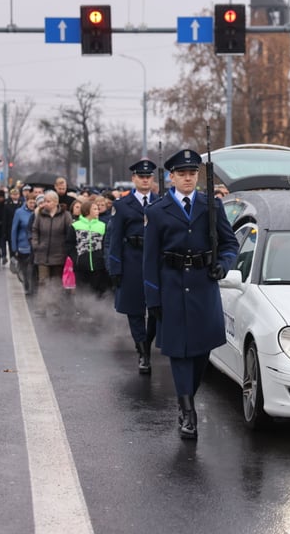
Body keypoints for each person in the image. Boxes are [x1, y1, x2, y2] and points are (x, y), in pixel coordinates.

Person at [143, 149, 239, 440]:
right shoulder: (157, 211)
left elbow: (229, 243)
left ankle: (187, 395)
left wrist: (222, 265)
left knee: (201, 353)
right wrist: (153, 299)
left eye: (192, 173)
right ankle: (187, 410)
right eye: (182, 174)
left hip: (203, 286)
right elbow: (149, 260)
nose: (188, 178)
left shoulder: (212, 206)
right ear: (172, 177)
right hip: (171, 287)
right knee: (179, 353)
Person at [108, 158, 159, 374]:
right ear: (134, 179)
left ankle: (147, 343)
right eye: (141, 176)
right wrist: (115, 268)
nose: (145, 180)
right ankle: (143, 353)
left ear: (152, 179)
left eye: (148, 177)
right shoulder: (121, 205)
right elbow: (114, 239)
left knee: (156, 309)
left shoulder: (161, 202)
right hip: (131, 262)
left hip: (155, 263)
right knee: (135, 311)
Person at [31, 191, 73, 315]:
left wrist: (66, 249)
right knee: (43, 281)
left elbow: (70, 234)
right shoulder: (40, 215)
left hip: (58, 254)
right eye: (44, 201)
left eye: (48, 201)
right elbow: (34, 230)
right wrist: (35, 244)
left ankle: (56, 306)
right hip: (42, 253)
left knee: (56, 281)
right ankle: (42, 307)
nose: (45, 204)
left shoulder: (65, 215)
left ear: (55, 202)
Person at [66, 199, 110, 298]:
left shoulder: (103, 226)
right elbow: (69, 244)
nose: (97, 211)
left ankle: (97, 312)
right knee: (82, 292)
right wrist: (75, 258)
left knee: (99, 292)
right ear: (87, 211)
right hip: (81, 265)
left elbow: (106, 244)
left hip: (98, 266)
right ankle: (81, 311)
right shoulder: (75, 226)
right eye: (94, 209)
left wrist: (102, 257)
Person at [11, 196, 37, 294]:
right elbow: (14, 230)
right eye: (30, 202)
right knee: (25, 268)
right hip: (23, 245)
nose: (32, 205)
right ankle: (26, 284)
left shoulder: (38, 212)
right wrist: (14, 247)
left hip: (34, 245)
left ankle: (33, 287)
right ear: (26, 202)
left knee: (33, 268)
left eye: (34, 202)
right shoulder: (19, 212)